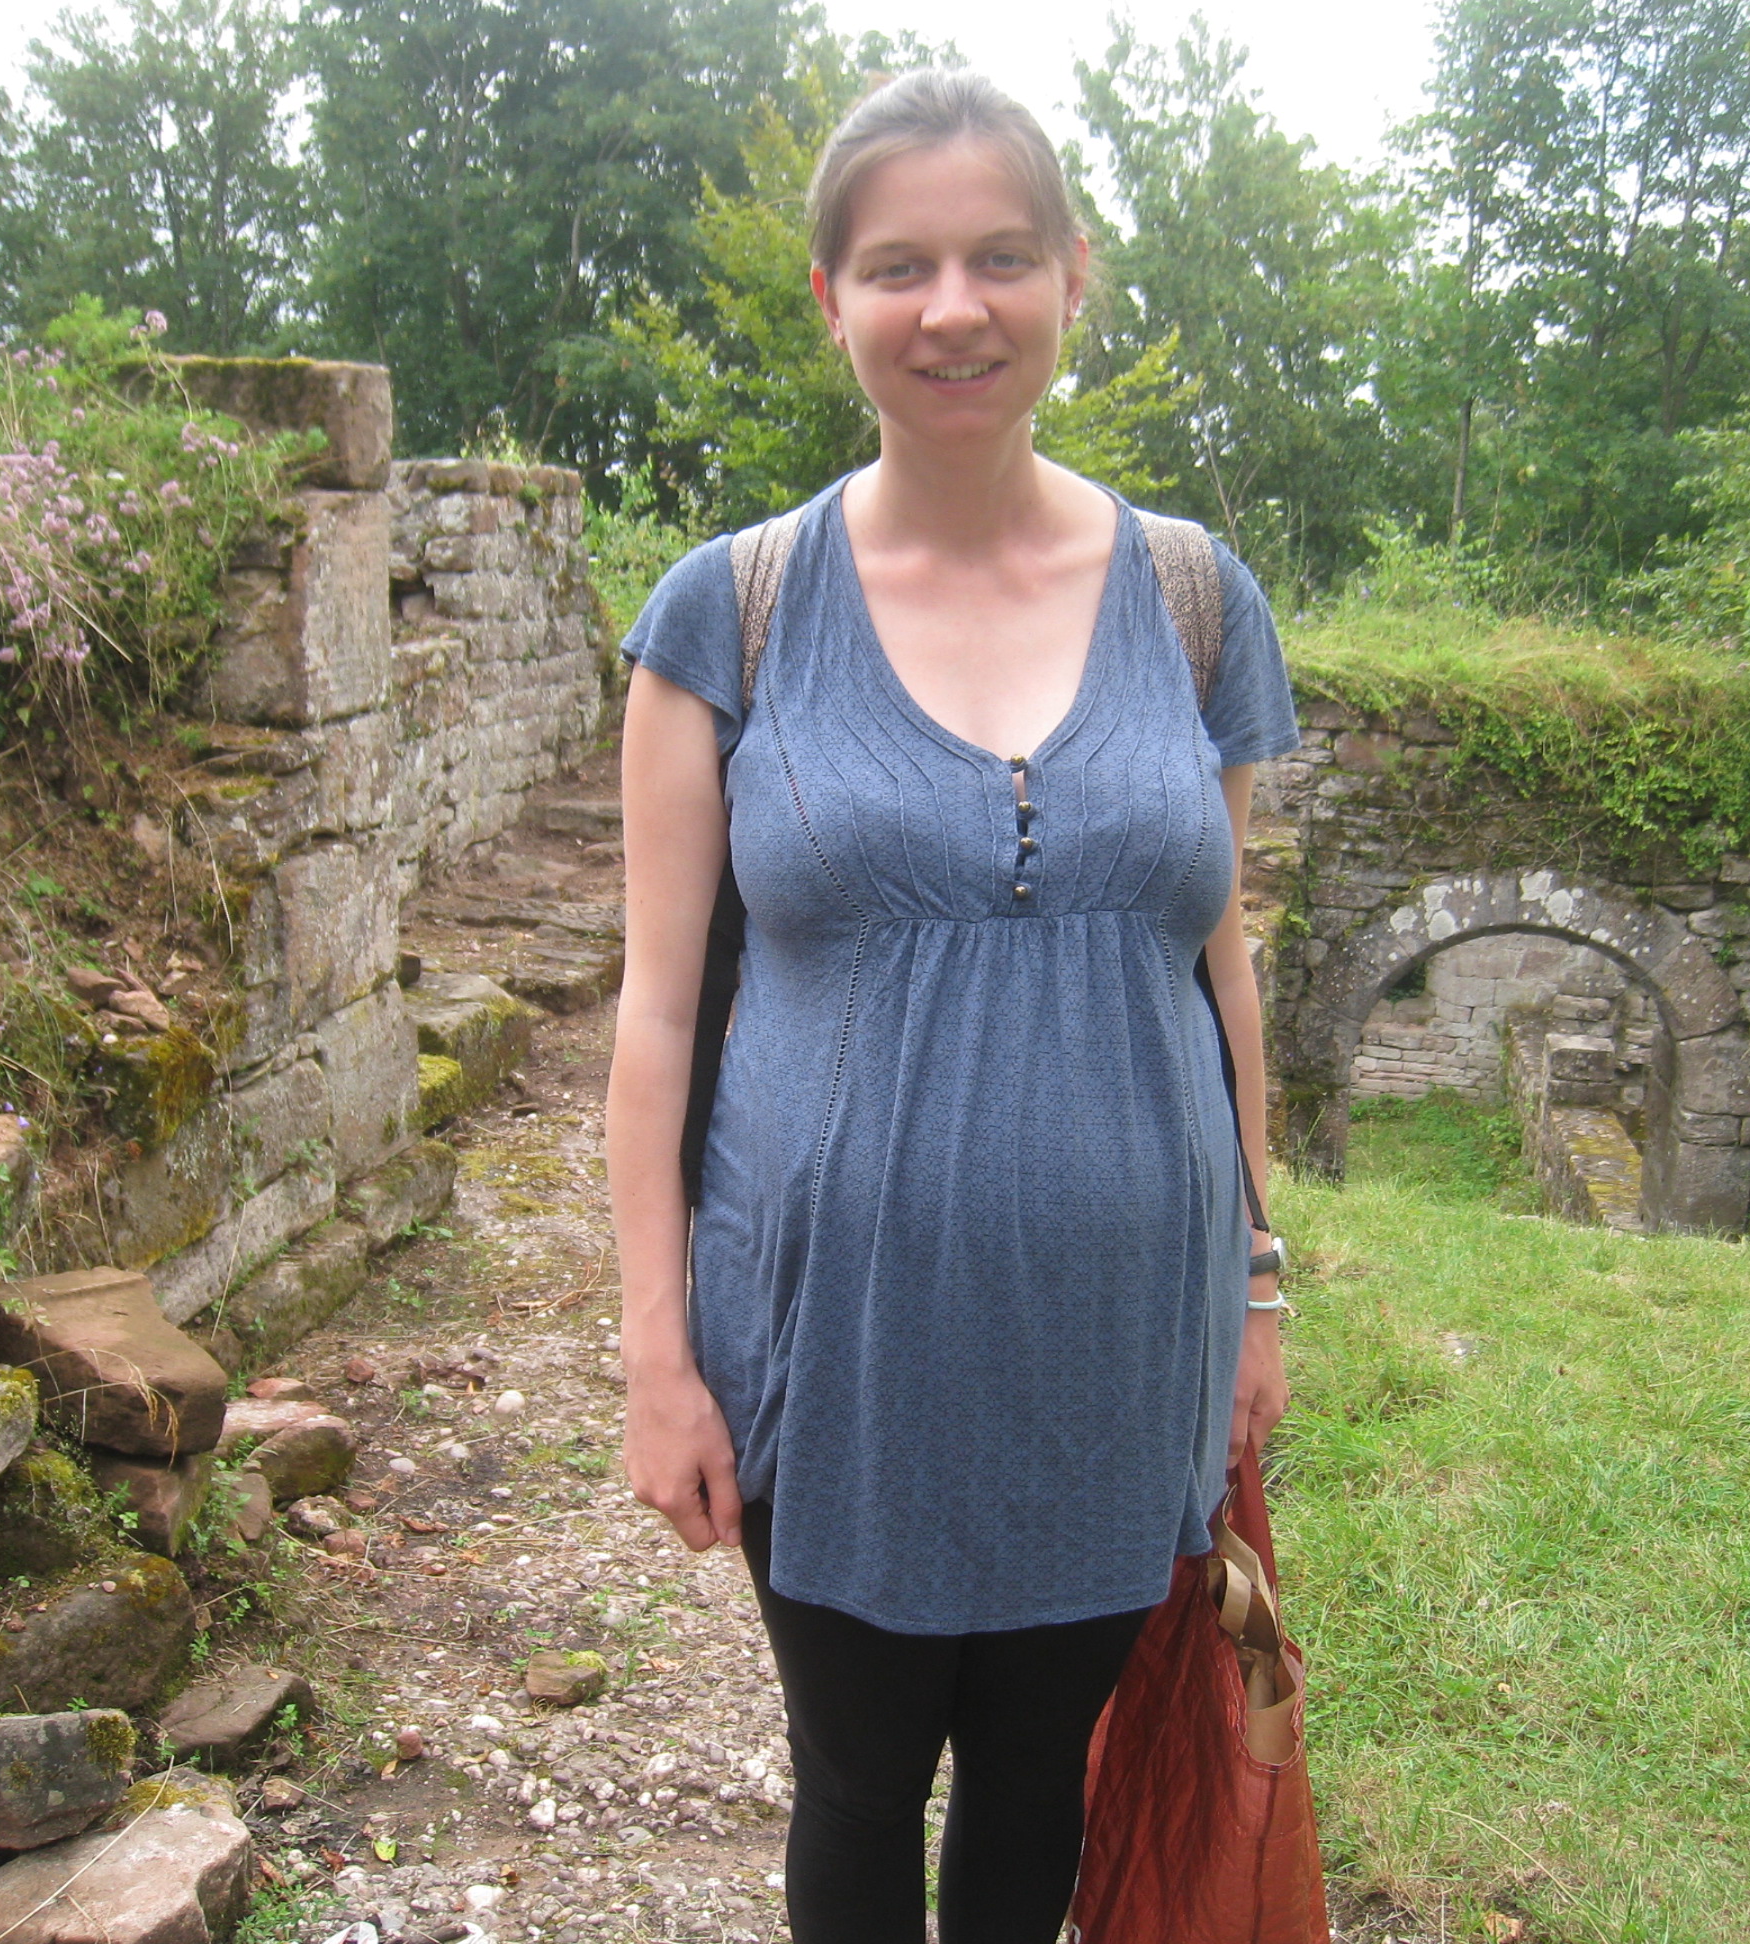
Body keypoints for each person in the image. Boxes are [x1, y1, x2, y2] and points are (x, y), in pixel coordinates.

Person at [604, 66, 1299, 1944]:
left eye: (1001, 257)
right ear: (831, 298)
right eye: (899, 265)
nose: (954, 308)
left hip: (1121, 1338)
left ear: (1074, 275)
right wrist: (660, 1359)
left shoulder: (1196, 603)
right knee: (857, 1778)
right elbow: (655, 1018)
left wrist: (1257, 1281)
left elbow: (1219, 961)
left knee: (1037, 1775)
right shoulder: (731, 612)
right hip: (833, 1344)